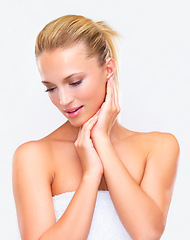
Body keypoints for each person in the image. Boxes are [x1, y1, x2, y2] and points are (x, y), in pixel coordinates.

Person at [12, 15, 180, 240]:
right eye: (50, 88)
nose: (63, 100)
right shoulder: (34, 156)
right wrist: (90, 176)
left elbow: (147, 233)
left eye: (74, 82)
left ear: (108, 70)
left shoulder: (158, 147)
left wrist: (102, 142)